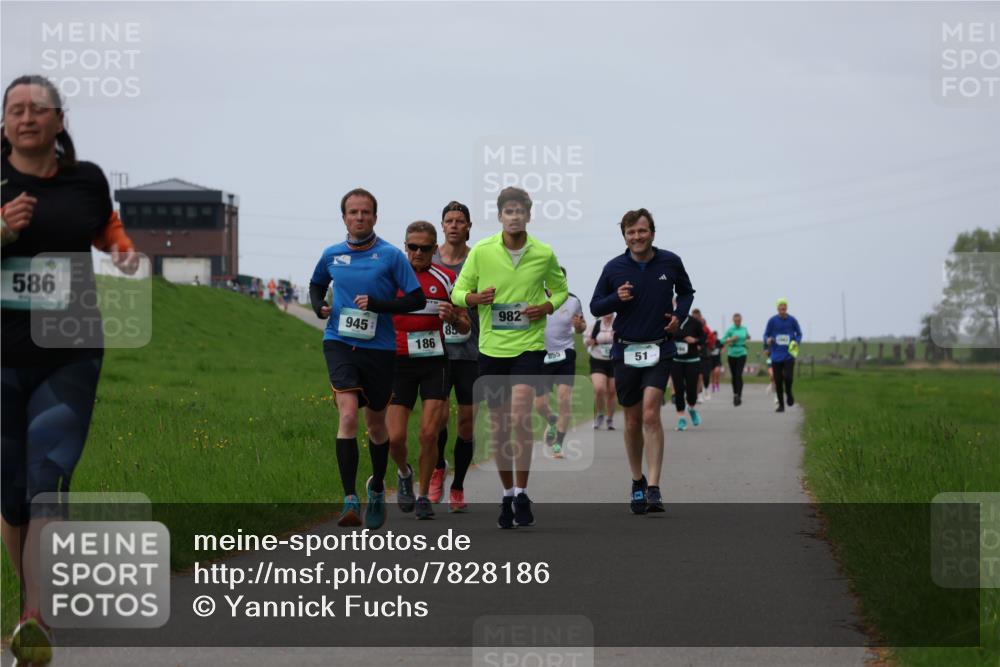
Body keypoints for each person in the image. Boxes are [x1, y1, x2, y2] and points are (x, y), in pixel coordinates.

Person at [2, 74, 139, 665]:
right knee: (11, 496)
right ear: (4, 122)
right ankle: (29, 597)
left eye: (38, 109)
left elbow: (102, 224)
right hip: (4, 356)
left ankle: (37, 613)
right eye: (15, 109)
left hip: (70, 348)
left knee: (47, 476)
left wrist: (121, 246)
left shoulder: (87, 179)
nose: (27, 117)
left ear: (59, 121)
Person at [452, 186, 568, 529]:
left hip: (529, 347)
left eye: (520, 211)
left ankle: (522, 491)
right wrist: (474, 298)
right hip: (491, 349)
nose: (515, 216)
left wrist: (546, 306)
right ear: (500, 216)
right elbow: (458, 292)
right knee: (501, 427)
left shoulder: (543, 253)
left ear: (528, 216)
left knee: (519, 418)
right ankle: (506, 494)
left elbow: (559, 290)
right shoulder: (483, 252)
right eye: (508, 211)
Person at [309, 188, 425, 528]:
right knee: (347, 416)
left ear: (375, 217)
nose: (359, 217)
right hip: (339, 341)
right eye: (353, 212)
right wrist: (319, 307)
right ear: (344, 217)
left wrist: (379, 304)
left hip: (380, 348)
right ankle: (349, 499)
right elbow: (316, 285)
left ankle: (376, 487)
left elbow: (415, 299)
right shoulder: (331, 254)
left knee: (376, 425)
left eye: (365, 212)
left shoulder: (391, 256)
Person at [590, 208, 695, 515]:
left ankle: (654, 488)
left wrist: (679, 316)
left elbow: (686, 293)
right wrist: (615, 299)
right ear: (624, 236)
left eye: (642, 231)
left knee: (650, 414)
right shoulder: (614, 268)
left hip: (659, 348)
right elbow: (597, 306)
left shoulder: (670, 262)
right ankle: (637, 480)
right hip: (625, 350)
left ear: (652, 232)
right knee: (632, 419)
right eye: (630, 232)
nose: (636, 237)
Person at [387, 221, 470, 521]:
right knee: (394, 438)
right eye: (412, 246)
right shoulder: (391, 276)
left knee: (428, 434)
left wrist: (453, 319)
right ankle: (404, 473)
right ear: (405, 246)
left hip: (435, 361)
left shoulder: (447, 278)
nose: (418, 253)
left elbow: (465, 324)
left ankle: (423, 496)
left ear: (435, 249)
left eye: (424, 248)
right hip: (398, 363)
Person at [432, 201, 478, 512]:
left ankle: (458, 485)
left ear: (468, 226)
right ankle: (438, 467)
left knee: (465, 423)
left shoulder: (479, 259)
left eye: (459, 221)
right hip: (434, 350)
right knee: (436, 418)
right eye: (449, 220)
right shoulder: (428, 257)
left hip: (471, 351)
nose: (454, 225)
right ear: (442, 225)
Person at [533, 267, 585, 458]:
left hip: (565, 354)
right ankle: (551, 421)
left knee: (564, 399)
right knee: (539, 404)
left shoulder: (573, 301)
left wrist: (580, 327)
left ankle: (558, 444)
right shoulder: (536, 298)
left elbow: (581, 327)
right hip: (542, 355)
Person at [763, 298, 803, 413]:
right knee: (778, 380)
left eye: (784, 307)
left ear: (786, 308)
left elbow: (799, 334)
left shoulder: (792, 320)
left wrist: (796, 342)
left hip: (789, 354)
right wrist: (768, 339)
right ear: (777, 308)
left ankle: (789, 393)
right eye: (781, 307)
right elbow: (766, 335)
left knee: (788, 378)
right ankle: (781, 405)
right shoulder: (772, 321)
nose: (782, 309)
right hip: (776, 356)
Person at [669, 311, 705, 431]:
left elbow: (703, 339)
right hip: (676, 361)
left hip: (692, 360)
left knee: (691, 388)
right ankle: (681, 419)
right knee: (678, 389)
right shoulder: (670, 321)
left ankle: (691, 408)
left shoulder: (695, 323)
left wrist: (694, 340)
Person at [585, 314, 616, 430]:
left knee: (612, 391)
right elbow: (585, 341)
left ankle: (610, 419)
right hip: (597, 359)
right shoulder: (595, 324)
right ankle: (599, 414)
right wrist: (589, 341)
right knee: (599, 388)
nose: (608, 313)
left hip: (614, 361)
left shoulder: (618, 322)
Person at [721, 313, 750, 406]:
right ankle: (735, 394)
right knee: (734, 376)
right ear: (733, 321)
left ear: (741, 320)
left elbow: (747, 335)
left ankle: (739, 396)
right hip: (732, 354)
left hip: (742, 352)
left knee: (738, 374)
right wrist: (731, 340)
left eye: (739, 321)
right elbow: (722, 341)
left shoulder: (744, 328)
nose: (737, 322)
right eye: (736, 321)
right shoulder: (730, 330)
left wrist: (748, 337)